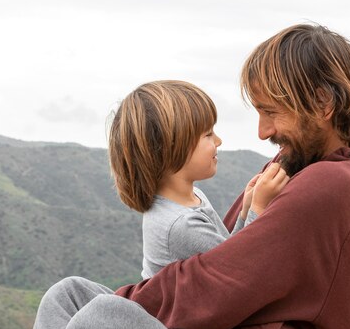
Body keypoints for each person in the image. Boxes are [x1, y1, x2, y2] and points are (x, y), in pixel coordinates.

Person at [29, 23, 350, 329]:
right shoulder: (300, 168)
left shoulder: (329, 185)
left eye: (270, 112)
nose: (262, 132)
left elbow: (216, 282)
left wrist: (127, 308)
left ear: (322, 104)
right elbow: (225, 257)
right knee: (67, 297)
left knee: (99, 323)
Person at [107, 80, 288, 281]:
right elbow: (239, 272)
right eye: (208, 134)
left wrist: (245, 212)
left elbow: (225, 251)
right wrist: (259, 208)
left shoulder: (192, 198)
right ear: (173, 148)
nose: (219, 141)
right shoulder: (182, 225)